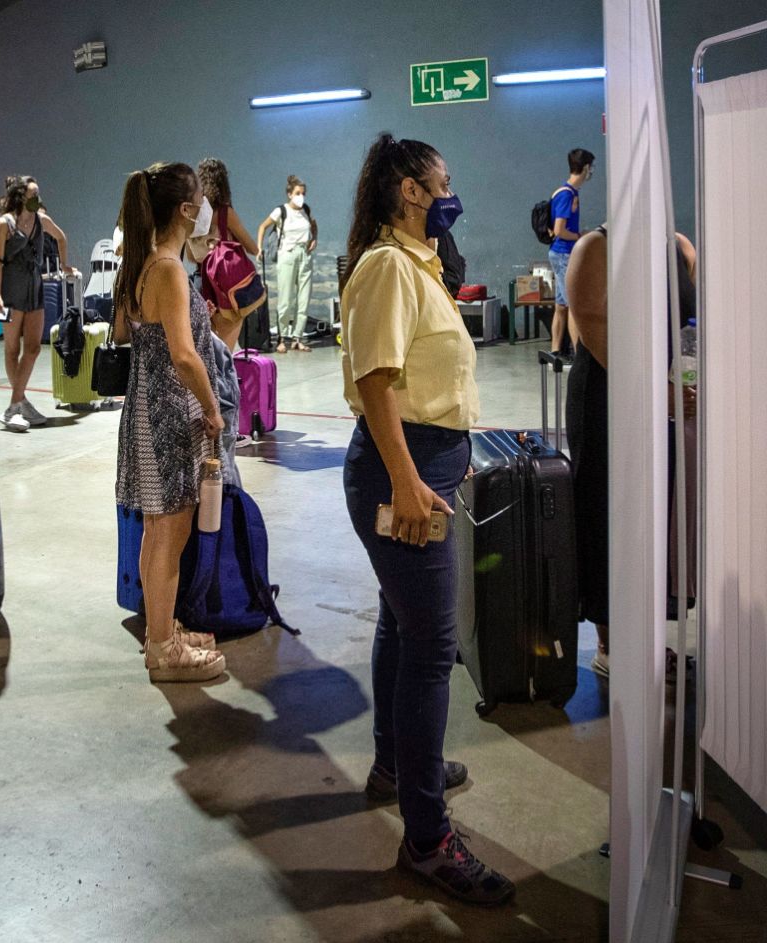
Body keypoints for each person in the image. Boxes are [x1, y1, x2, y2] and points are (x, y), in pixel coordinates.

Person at [338, 133, 512, 906]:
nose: (451, 189)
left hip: (426, 457)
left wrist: (450, 453)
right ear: (411, 190)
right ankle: (427, 837)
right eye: (444, 178)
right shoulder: (385, 267)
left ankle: (394, 765)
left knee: (401, 626)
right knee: (433, 644)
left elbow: (429, 374)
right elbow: (375, 379)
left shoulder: (420, 266)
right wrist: (409, 480)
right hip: (396, 464)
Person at [565, 225, 697, 679]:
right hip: (606, 396)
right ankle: (611, 643)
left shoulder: (680, 249)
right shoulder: (595, 248)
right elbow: (593, 326)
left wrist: (686, 381)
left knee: (658, 510)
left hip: (665, 394)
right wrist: (654, 390)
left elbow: (690, 326)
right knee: (607, 509)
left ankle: (650, 634)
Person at [113, 162, 226, 683]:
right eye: (201, 199)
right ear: (186, 210)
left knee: (156, 531)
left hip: (145, 408)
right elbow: (184, 354)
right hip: (170, 414)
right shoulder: (168, 269)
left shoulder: (144, 262)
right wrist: (211, 406)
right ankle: (163, 650)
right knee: (169, 534)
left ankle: (162, 628)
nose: (207, 207)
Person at [0, 175, 73, 431]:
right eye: (32, 195)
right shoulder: (3, 224)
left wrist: (64, 264)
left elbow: (61, 237)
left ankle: (16, 403)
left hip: (34, 289)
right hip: (11, 291)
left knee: (34, 348)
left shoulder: (41, 220)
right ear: (20, 197)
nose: (37, 199)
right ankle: (18, 403)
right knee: (11, 348)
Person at [195, 158, 263, 349]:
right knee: (224, 353)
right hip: (225, 289)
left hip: (201, 285)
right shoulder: (225, 214)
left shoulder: (193, 215)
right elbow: (250, 246)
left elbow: (192, 257)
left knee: (205, 351)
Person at [256, 175, 319, 353]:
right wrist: (259, 248)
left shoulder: (306, 209)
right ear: (290, 194)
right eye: (298, 193)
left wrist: (314, 239)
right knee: (285, 298)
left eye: (303, 193)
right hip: (287, 254)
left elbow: (314, 225)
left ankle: (298, 338)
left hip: (304, 255)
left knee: (304, 297)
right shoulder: (281, 211)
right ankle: (282, 337)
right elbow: (263, 226)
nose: (301, 196)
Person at [548, 148, 595, 362]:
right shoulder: (567, 195)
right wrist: (579, 236)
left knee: (561, 304)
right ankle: (578, 354)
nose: (591, 172)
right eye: (590, 167)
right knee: (572, 305)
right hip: (564, 254)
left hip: (561, 254)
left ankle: (556, 350)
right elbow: (559, 230)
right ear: (585, 168)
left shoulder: (567, 193)